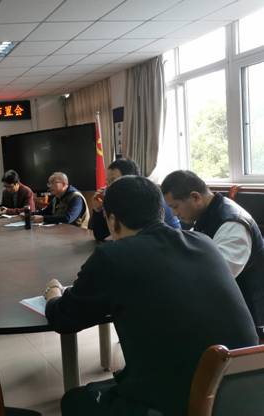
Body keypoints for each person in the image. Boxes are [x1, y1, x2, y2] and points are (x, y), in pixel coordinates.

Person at [43, 176, 257, 416]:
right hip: (242, 392)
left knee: (73, 401)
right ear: (161, 211)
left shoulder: (112, 257)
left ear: (112, 220)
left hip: (183, 404)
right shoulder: (204, 243)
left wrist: (53, 294)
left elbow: (64, 319)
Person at [161, 170, 264, 334]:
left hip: (250, 318)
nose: (174, 214)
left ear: (195, 197)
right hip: (228, 307)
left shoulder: (232, 224)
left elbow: (217, 276)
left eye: (175, 206)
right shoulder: (207, 215)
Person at [90, 158, 180, 241]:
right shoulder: (121, 198)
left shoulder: (147, 197)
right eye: (107, 182)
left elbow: (141, 239)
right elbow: (101, 235)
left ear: (131, 178)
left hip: (171, 243)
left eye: (113, 181)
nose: (108, 187)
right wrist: (98, 210)